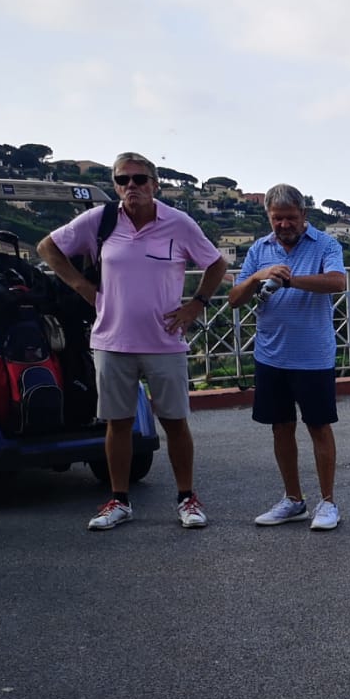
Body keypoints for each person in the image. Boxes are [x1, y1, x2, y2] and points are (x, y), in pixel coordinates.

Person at [38, 151, 226, 531]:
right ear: (115, 185)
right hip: (112, 340)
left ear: (155, 184)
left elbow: (216, 263)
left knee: (175, 422)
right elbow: (48, 247)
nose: (131, 187)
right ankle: (119, 500)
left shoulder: (178, 223)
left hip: (164, 341)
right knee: (118, 423)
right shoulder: (101, 220)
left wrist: (197, 305)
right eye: (123, 180)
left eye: (139, 179)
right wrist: (82, 286)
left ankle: (187, 498)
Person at [226, 184, 348, 531]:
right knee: (280, 428)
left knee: (318, 426)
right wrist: (258, 276)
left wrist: (291, 281)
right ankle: (293, 499)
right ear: (268, 216)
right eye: (276, 218)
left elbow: (337, 282)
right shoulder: (259, 249)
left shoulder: (326, 244)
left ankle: (328, 502)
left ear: (303, 215)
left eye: (290, 218)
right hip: (271, 356)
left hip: (313, 356)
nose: (283, 224)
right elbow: (234, 299)